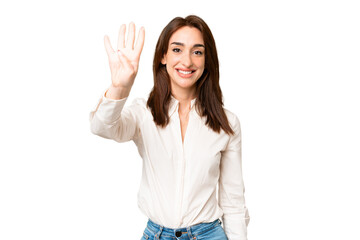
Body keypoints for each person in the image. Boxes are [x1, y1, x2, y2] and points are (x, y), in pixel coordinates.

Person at [89, 15, 250, 240]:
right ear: (163, 56)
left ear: (206, 60)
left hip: (209, 234)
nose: (187, 61)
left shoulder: (227, 123)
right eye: (177, 50)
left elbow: (233, 202)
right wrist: (120, 87)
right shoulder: (143, 113)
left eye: (197, 51)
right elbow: (101, 127)